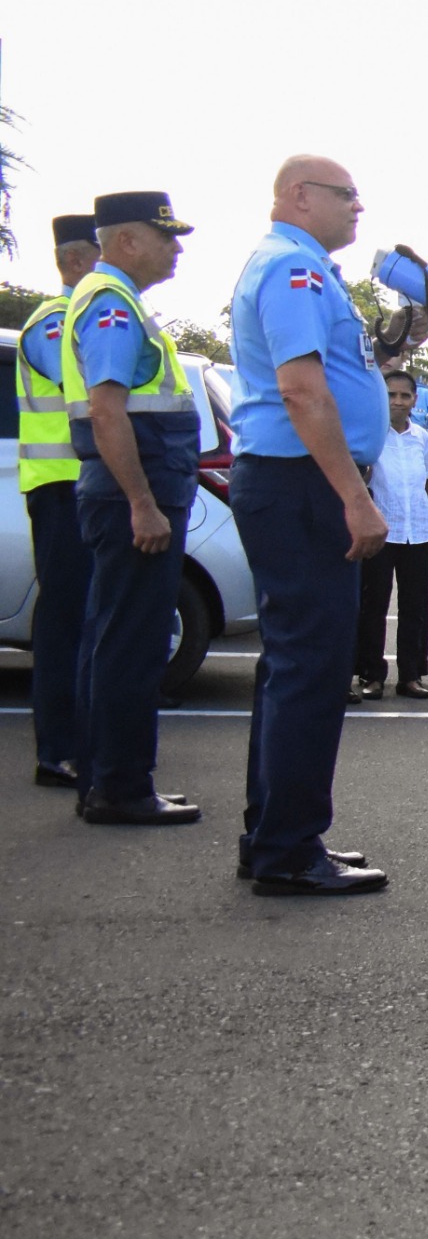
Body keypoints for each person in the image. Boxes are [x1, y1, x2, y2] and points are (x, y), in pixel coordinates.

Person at [228, 159, 392, 893]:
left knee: (292, 665)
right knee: (311, 668)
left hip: (295, 480)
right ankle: (289, 849)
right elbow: (300, 388)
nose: (358, 206)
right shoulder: (293, 269)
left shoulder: (305, 269)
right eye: (345, 194)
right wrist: (352, 495)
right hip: (302, 483)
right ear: (298, 197)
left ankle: (275, 832)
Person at [62, 192, 204, 827]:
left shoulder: (110, 299)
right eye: (165, 236)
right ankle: (121, 787)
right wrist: (143, 504)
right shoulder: (112, 305)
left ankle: (103, 780)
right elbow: (106, 410)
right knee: (131, 644)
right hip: (132, 496)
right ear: (126, 242)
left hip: (123, 492)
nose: (176, 248)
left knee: (110, 637)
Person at [16, 213, 100, 789]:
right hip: (61, 486)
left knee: (92, 617)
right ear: (75, 261)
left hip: (89, 484)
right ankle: (59, 750)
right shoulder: (55, 321)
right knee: (66, 619)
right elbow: (86, 388)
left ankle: (87, 739)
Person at [354, 370, 428, 699]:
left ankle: (411, 675)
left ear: (415, 401)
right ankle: (371, 674)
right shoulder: (372, 436)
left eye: (405, 396)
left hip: (418, 530)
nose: (398, 402)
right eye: (391, 395)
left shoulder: (421, 437)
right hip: (382, 530)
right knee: (374, 604)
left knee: (415, 605)